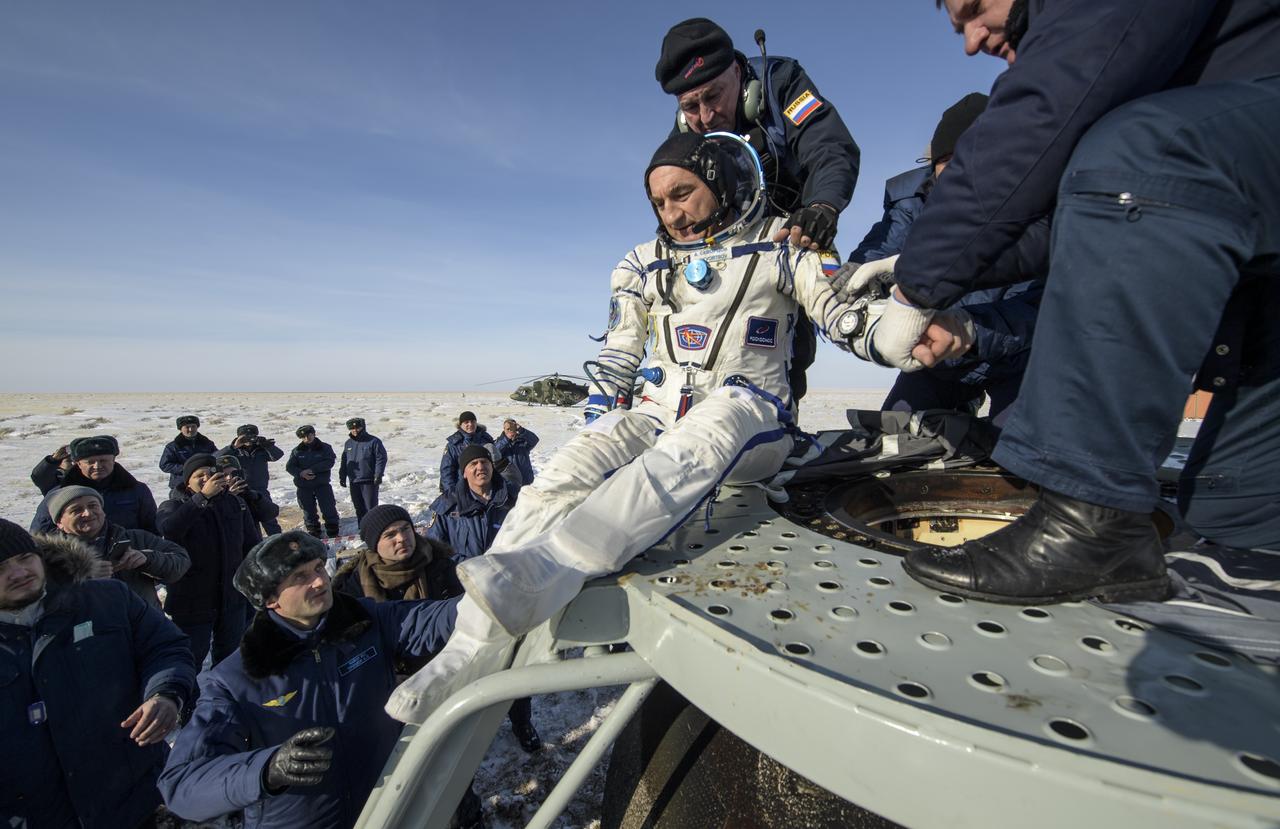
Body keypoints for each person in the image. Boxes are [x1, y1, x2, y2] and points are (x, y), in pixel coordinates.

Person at [386, 130, 868, 723]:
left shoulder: (781, 246)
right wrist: (600, 419)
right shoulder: (642, 263)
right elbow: (620, 353)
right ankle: (470, 642)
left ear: (720, 183)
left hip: (752, 417)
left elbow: (847, 317)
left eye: (683, 194)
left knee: (691, 446)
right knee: (564, 473)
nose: (672, 214)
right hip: (658, 410)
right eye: (660, 202)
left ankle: (555, 568)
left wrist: (903, 321)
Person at [865, 0, 1280, 604]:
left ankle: (1090, 520)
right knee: (1237, 512)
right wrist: (912, 269)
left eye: (974, 10)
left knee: (1143, 148)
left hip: (1018, 367)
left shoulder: (1100, 47)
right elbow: (1062, 227)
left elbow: (1051, 123)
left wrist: (918, 291)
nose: (972, 42)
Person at [159, 531, 459, 829]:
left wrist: (481, 590)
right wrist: (265, 770)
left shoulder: (365, 622)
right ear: (270, 599)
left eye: (318, 568)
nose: (319, 581)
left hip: (387, 811)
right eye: (300, 577)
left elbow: (438, 617)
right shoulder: (237, 678)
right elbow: (182, 784)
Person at [656, 17, 862, 402]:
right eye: (691, 106)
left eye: (713, 96)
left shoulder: (781, 83)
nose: (705, 116)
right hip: (727, 248)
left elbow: (829, 148)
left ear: (738, 73)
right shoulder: (686, 132)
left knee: (789, 348)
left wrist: (822, 205)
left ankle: (779, 421)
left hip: (792, 232)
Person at [834, 92, 1044, 425]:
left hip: (1020, 358)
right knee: (895, 435)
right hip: (939, 362)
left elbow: (1041, 312)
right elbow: (884, 244)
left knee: (1021, 449)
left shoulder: (1038, 212)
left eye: (971, 159)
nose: (958, 174)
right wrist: (857, 270)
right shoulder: (914, 202)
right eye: (947, 161)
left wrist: (969, 330)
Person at [0, 518, 196, 829]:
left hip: (138, 798)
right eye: (1, 568)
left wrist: (165, 693)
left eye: (25, 558)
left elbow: (165, 646)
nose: (20, 573)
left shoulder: (106, 599)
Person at [333, 506, 486, 826]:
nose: (402, 538)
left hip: (442, 675)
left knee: (452, 761)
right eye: (390, 535)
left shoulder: (442, 564)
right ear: (374, 544)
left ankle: (468, 815)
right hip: (385, 692)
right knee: (402, 770)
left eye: (405, 529)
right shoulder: (351, 587)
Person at [425, 447, 540, 751]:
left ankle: (521, 721)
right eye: (473, 464)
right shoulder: (449, 507)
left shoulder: (515, 499)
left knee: (515, 665)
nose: (480, 468)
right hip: (467, 599)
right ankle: (470, 724)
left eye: (485, 462)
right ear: (464, 471)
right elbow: (434, 553)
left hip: (510, 596)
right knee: (470, 664)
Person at [157, 454, 260, 691]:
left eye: (211, 473)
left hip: (231, 597)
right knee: (190, 658)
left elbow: (250, 545)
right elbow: (170, 530)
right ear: (187, 482)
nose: (206, 478)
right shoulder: (173, 506)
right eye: (199, 476)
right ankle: (185, 703)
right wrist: (202, 498)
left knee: (230, 658)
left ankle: (225, 698)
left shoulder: (234, 503)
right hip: (193, 600)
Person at [48, 484, 190, 609]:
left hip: (146, 626)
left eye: (93, 506)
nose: (88, 513)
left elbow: (181, 561)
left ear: (103, 511)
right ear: (59, 522)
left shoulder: (135, 538)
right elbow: (43, 599)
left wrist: (148, 560)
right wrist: (84, 578)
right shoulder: (50, 556)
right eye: (76, 510)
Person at [31, 435, 158, 534]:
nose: (97, 466)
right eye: (90, 462)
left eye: (103, 460)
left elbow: (151, 530)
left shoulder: (136, 490)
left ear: (113, 460)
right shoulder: (61, 494)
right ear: (78, 464)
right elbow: (40, 533)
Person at [218, 424, 285, 535]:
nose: (249, 439)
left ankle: (278, 540)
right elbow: (215, 458)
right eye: (245, 437)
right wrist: (234, 446)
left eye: (252, 436)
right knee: (248, 520)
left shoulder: (261, 450)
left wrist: (267, 445)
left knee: (269, 520)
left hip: (261, 490)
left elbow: (278, 455)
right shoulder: (234, 451)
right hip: (240, 489)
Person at [286, 425, 341, 539]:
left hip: (322, 485)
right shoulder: (297, 451)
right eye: (303, 437)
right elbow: (290, 467)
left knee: (328, 508)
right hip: (304, 486)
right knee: (308, 510)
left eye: (309, 435)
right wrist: (301, 473)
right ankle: (314, 532)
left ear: (314, 434)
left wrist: (312, 470)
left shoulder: (325, 447)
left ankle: (333, 532)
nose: (307, 438)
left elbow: (329, 462)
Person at [339, 417, 387, 522]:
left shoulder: (374, 441)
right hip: (354, 481)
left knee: (371, 508)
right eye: (352, 429)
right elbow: (344, 461)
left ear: (363, 427)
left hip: (369, 480)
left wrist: (378, 474)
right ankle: (362, 528)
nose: (355, 430)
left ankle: (374, 527)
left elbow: (381, 458)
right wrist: (342, 476)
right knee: (359, 508)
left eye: (357, 428)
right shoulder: (348, 443)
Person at [439, 411, 495, 494]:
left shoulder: (486, 440)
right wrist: (452, 493)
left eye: (473, 421)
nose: (470, 424)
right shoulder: (454, 444)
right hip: (462, 489)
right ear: (460, 425)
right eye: (466, 422)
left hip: (485, 488)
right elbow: (446, 470)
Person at [160, 415, 219, 492]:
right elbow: (164, 465)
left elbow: (217, 458)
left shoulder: (207, 443)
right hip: (180, 486)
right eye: (187, 427)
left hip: (204, 484)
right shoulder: (173, 446)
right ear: (180, 429)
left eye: (193, 426)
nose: (190, 429)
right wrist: (187, 469)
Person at [494, 418, 539, 494]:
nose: (510, 430)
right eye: (507, 429)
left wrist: (522, 430)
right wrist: (507, 439)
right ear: (503, 429)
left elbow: (535, 440)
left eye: (512, 428)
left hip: (526, 480)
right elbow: (495, 452)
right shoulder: (499, 441)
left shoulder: (523, 441)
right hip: (509, 481)